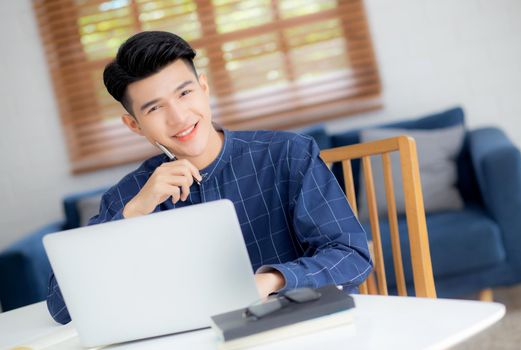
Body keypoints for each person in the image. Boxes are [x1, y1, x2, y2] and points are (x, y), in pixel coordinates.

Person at [47, 31, 372, 324]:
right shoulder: (130, 196)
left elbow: (351, 255)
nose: (179, 117)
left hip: (298, 330)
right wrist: (134, 213)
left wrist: (272, 280)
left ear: (203, 88)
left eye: (185, 94)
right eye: (154, 109)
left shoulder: (288, 154)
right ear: (134, 125)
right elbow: (62, 308)